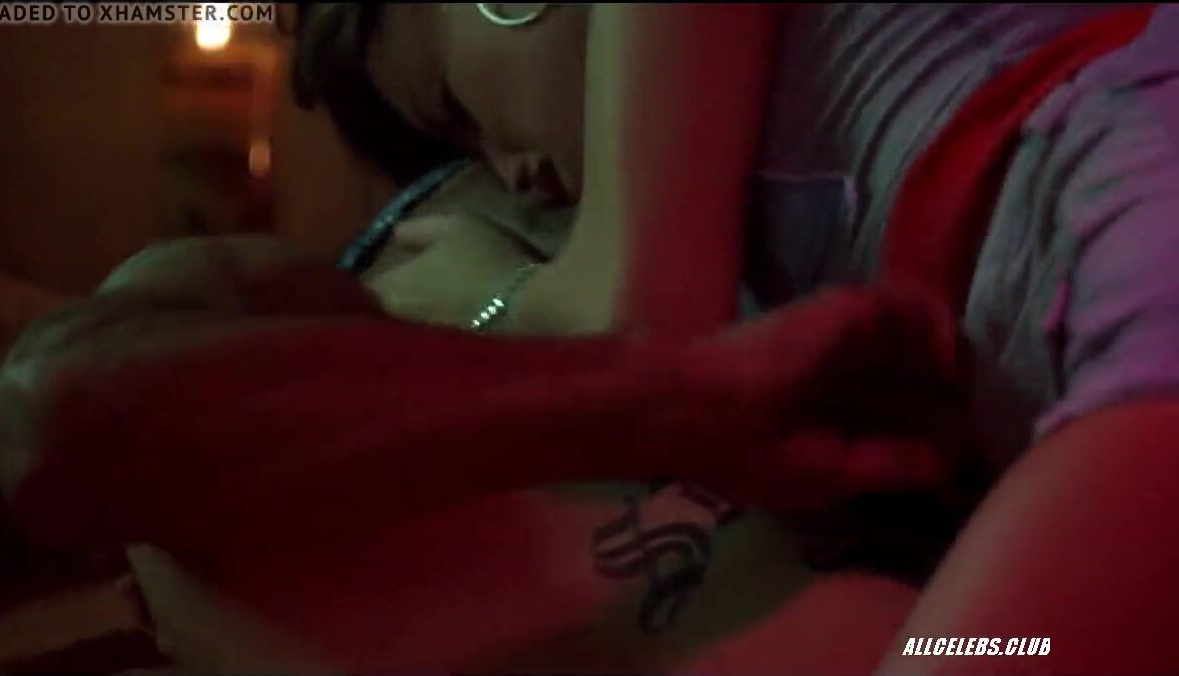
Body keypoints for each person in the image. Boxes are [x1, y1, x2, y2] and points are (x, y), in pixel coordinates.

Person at [292, 3, 1179, 674]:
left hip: (1136, 237)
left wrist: (490, 292)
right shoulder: (744, 198)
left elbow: (639, 314)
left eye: (458, 108)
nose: (509, 170)